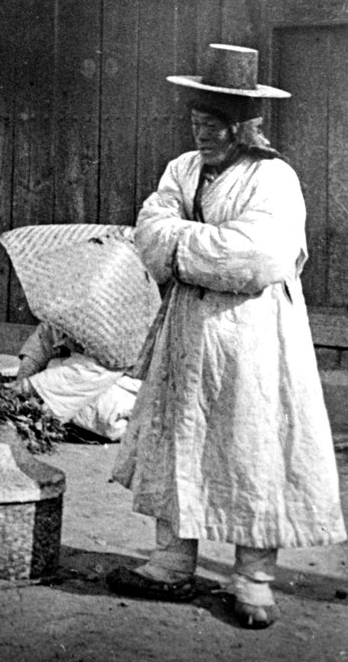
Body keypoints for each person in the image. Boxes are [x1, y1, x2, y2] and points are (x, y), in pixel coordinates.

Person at [109, 43, 346, 629]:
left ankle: (253, 579)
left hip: (253, 334)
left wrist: (182, 243)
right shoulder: (181, 170)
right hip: (189, 328)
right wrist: (193, 244)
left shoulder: (274, 178)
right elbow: (148, 233)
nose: (203, 134)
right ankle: (171, 561)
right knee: (178, 435)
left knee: (251, 445)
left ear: (243, 125)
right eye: (197, 121)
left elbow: (258, 257)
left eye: (214, 124)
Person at [11, 320, 140, 442]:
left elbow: (91, 371)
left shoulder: (121, 330)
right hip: (86, 376)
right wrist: (23, 376)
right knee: (52, 367)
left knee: (107, 408)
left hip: (126, 390)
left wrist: (27, 386)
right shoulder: (78, 311)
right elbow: (46, 334)